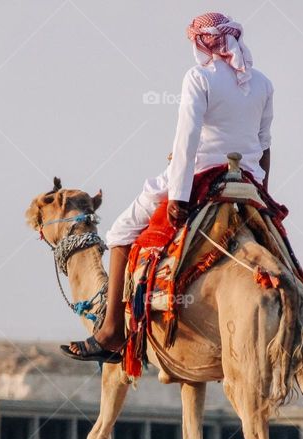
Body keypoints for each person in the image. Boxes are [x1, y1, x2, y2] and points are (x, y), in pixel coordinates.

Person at [63, 12, 274, 362]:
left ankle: (112, 329)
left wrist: (178, 196)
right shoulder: (263, 84)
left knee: (119, 233)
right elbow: (266, 144)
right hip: (248, 182)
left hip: (201, 175)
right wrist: (263, 192)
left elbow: (187, 139)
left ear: (202, 42)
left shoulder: (199, 77)